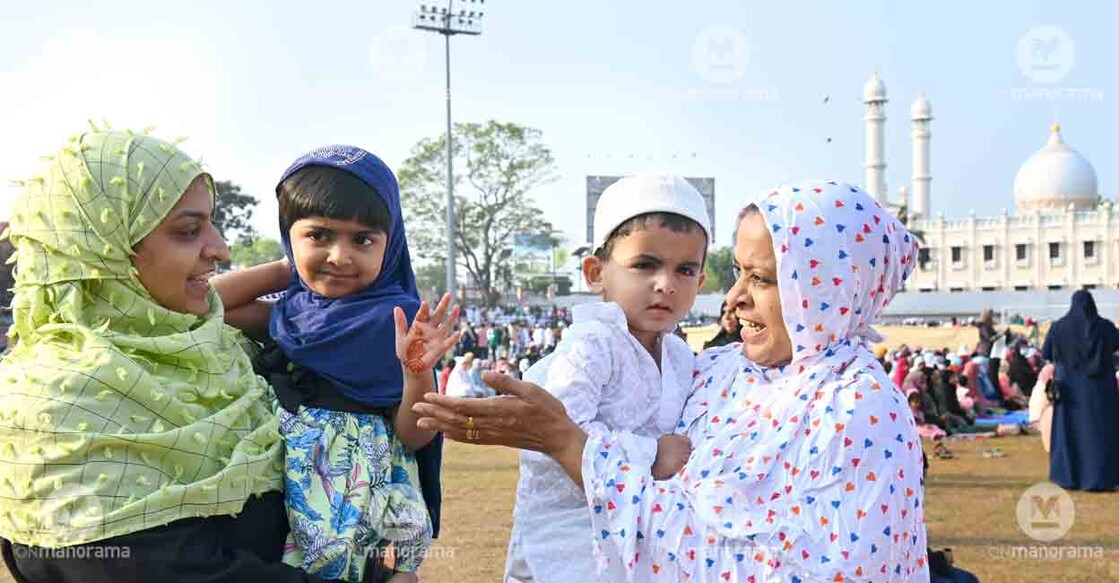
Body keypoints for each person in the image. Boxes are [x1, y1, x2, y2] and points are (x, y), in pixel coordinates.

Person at [414, 180, 928, 581]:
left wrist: (573, 446)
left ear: (830, 288)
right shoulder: (722, 372)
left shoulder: (859, 410)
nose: (735, 299)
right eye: (739, 275)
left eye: (763, 279)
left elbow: (822, 571)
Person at [0, 129, 340, 582]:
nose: (220, 248)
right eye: (188, 231)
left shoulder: (222, 354)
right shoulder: (55, 401)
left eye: (212, 224)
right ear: (104, 254)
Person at [215, 147, 459, 581]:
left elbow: (414, 436)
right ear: (289, 234)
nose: (340, 257)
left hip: (352, 501)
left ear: (392, 241)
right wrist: (286, 269)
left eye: (363, 239)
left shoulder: (401, 321)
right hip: (279, 492)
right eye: (319, 236)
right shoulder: (291, 314)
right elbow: (209, 304)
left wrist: (415, 372)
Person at [504, 175, 710, 583]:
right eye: (645, 265)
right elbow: (555, 431)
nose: (665, 283)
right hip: (568, 539)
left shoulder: (681, 356)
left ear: (701, 282)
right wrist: (651, 453)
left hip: (637, 534)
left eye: (684, 270)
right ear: (596, 273)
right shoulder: (591, 343)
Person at [1042, 289, 1119, 491]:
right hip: (1100, 389)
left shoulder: (1058, 327)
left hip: (1069, 389)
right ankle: (1099, 477)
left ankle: (1069, 476)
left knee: (1070, 433)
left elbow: (1047, 352)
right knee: (1100, 432)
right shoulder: (1106, 327)